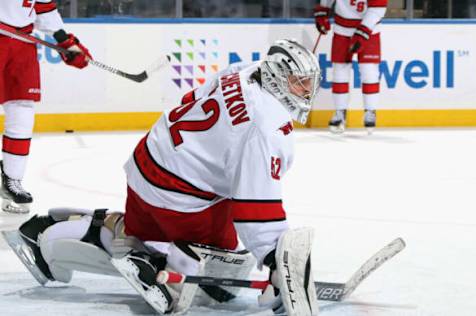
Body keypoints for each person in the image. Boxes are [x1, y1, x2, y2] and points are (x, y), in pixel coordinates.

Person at [9, 39, 321, 316]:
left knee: (139, 230)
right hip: (180, 197)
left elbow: (196, 101)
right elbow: (255, 208)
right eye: (298, 83)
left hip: (147, 162)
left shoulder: (243, 70)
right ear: (277, 79)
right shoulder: (265, 128)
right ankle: (159, 268)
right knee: (220, 283)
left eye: (308, 83)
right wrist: (276, 260)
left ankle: (64, 234)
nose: (307, 91)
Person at [0, 0, 91, 213]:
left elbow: (44, 10)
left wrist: (66, 43)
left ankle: (12, 178)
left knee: (23, 111)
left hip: (22, 44)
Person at [314, 0, 388, 133]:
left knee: (369, 71)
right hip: (342, 28)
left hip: (370, 31)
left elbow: (378, 8)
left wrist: (363, 31)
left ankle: (370, 111)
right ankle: (339, 113)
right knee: (339, 71)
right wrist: (322, 11)